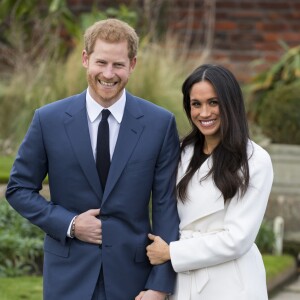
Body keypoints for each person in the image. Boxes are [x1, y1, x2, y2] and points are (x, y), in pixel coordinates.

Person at [5, 18, 180, 300]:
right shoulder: (48, 120)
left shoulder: (159, 124)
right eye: (101, 62)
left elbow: (166, 207)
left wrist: (160, 285)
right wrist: (70, 224)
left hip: (133, 280)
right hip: (67, 278)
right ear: (86, 59)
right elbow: (18, 189)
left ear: (132, 65)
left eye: (118, 65)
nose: (108, 74)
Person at [143, 64, 273, 300]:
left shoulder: (255, 160)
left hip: (231, 284)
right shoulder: (181, 152)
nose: (204, 113)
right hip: (184, 281)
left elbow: (237, 239)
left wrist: (172, 251)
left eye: (214, 102)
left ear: (230, 104)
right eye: (196, 104)